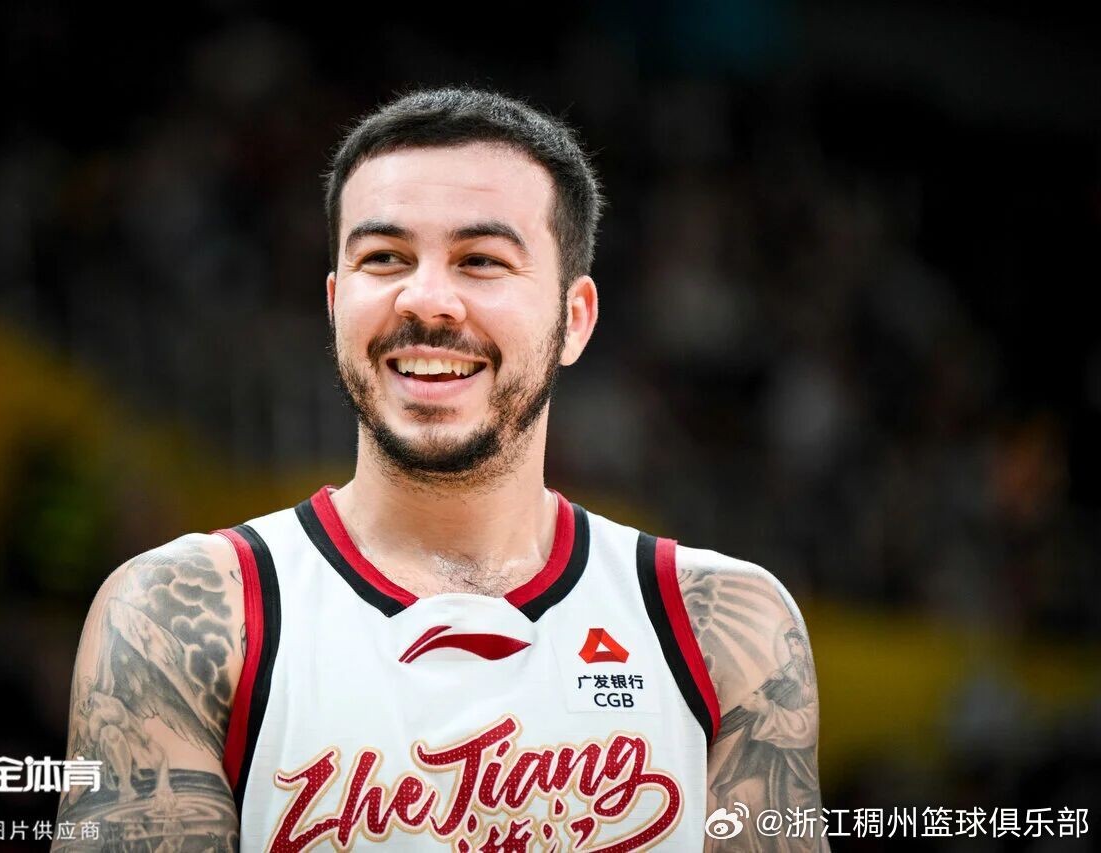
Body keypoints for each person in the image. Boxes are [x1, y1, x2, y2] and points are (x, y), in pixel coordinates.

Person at [52, 86, 828, 852]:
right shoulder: (181, 618)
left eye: (481, 260)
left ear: (574, 319)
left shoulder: (725, 629)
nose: (426, 300)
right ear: (334, 304)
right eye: (384, 258)